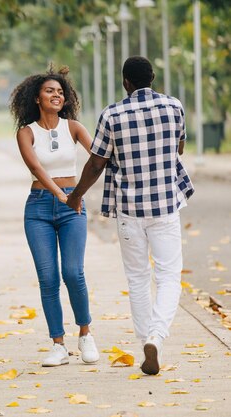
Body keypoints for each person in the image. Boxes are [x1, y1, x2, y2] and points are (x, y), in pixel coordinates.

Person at [66, 56, 194, 375]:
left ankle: (144, 343)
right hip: (165, 205)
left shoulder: (112, 114)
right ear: (152, 77)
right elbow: (178, 148)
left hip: (129, 209)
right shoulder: (174, 106)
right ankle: (156, 337)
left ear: (126, 82)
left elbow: (96, 163)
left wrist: (77, 195)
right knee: (168, 277)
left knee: (138, 279)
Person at [10, 67, 99, 367]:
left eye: (60, 92)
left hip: (72, 207)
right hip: (38, 208)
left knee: (73, 273)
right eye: (50, 91)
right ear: (37, 98)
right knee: (48, 278)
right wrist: (60, 195)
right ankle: (58, 344)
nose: (56, 95)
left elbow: (99, 154)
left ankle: (85, 334)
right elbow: (36, 168)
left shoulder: (73, 127)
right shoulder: (26, 132)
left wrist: (73, 195)